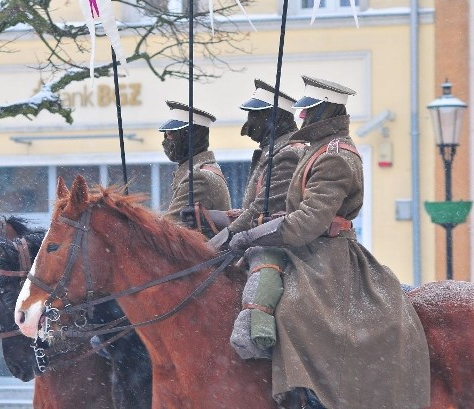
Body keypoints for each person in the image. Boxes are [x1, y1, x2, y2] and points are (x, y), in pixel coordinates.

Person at [229, 76, 431, 409]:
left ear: (326, 112)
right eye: (303, 111)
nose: (303, 117)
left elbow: (308, 223)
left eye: (310, 111)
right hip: (305, 251)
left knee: (294, 310)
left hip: (327, 254)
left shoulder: (335, 157)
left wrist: (252, 235)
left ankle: (314, 397)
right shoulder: (315, 149)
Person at [193, 80, 304, 358]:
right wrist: (220, 219)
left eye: (253, 117)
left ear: (272, 118)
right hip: (258, 237)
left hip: (280, 245)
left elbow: (266, 211)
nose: (247, 126)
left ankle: (260, 345)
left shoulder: (287, 154)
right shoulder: (272, 152)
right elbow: (254, 209)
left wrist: (229, 235)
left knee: (259, 288)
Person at [160, 100, 231, 236]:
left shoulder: (199, 178)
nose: (165, 142)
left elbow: (166, 230)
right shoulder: (201, 170)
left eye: (170, 135)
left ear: (188, 137)